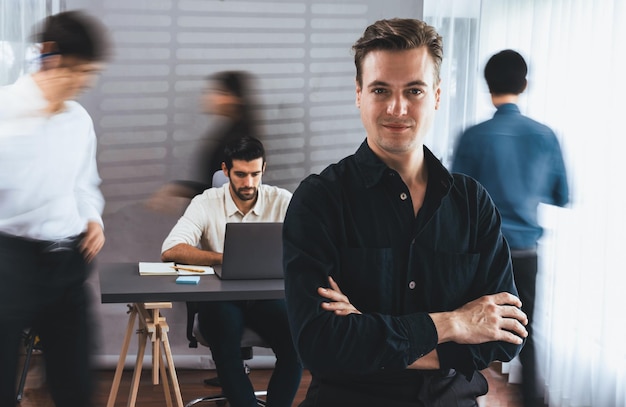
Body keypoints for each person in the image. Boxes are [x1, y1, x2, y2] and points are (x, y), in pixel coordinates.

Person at [283, 18, 528, 407]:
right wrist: (455, 323)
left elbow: (504, 338)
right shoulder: (320, 200)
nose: (397, 108)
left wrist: (369, 335)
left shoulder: (472, 202)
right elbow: (320, 344)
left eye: (414, 90)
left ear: (436, 96)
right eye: (381, 89)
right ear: (359, 93)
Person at [0, 10, 109, 406]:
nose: (82, 83)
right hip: (9, 261)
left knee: (76, 386)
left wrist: (92, 217)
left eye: (89, 74)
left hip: (67, 260)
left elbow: (84, 185)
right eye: (77, 71)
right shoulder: (5, 111)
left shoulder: (78, 121)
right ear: (49, 55)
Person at [452, 49, 569, 407]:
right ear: (524, 84)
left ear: (488, 86)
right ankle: (533, 401)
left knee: (468, 328)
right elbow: (562, 196)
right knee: (527, 331)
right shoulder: (545, 136)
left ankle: (462, 396)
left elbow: (455, 196)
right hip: (523, 252)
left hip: (479, 254)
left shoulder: (472, 137)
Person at [161, 136, 302, 407]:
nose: (248, 183)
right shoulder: (206, 202)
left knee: (296, 342)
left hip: (268, 299)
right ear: (225, 171)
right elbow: (171, 249)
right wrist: (224, 258)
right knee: (225, 342)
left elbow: (312, 246)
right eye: (240, 174)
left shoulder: (282, 201)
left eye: (254, 174)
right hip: (221, 299)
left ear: (264, 169)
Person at [147, 71, 260, 213]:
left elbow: (225, 191)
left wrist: (182, 190)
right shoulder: (230, 131)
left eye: (217, 92)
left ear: (233, 98)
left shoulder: (239, 141)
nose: (209, 97)